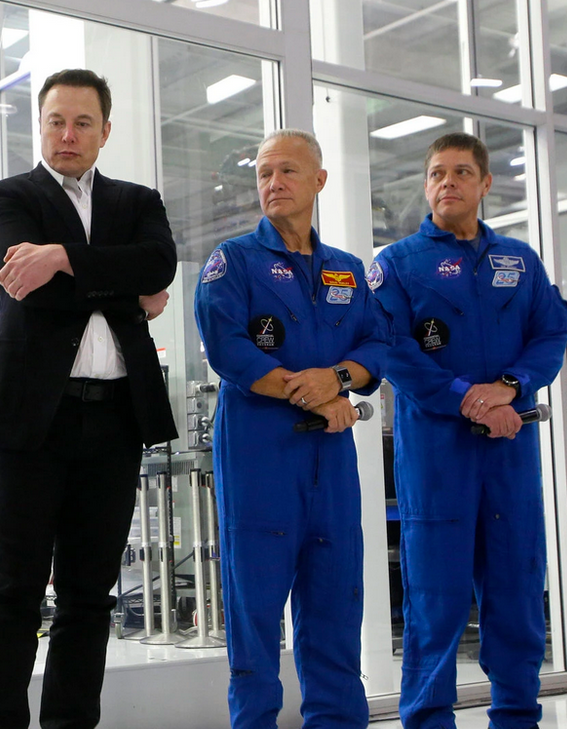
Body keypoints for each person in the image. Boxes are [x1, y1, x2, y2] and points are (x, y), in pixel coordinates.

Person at [0, 68, 178, 729]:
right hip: (31, 419)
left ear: (105, 131)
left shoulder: (137, 201)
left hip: (116, 418)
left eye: (83, 122)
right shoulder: (6, 197)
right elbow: (27, 287)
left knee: (90, 596)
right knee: (12, 593)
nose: (67, 134)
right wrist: (120, 285)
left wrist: (60, 255)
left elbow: (161, 265)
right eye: (56, 121)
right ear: (41, 126)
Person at [371, 132, 567, 729]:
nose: (448, 182)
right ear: (427, 185)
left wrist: (510, 386)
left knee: (516, 592)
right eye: (437, 173)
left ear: (485, 184)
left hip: (510, 453)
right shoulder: (397, 265)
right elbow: (395, 352)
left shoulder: (520, 260)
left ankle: (517, 715)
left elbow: (552, 331)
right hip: (438, 459)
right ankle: (428, 719)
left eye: (462, 172)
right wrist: (470, 401)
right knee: (436, 600)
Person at [194, 130, 389, 729]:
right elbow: (229, 350)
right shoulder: (233, 263)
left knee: (335, 605)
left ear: (319, 181)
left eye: (287, 172)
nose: (273, 183)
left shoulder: (349, 273)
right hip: (260, 461)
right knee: (254, 615)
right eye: (264, 173)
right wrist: (314, 394)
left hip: (329, 468)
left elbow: (377, 345)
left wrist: (335, 380)